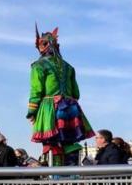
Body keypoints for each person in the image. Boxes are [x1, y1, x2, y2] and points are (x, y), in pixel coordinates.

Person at [28, 24, 94, 166]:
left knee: (51, 142)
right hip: (71, 107)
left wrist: (31, 112)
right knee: (70, 141)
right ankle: (72, 176)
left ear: (42, 46)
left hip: (50, 107)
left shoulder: (38, 65)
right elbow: (76, 93)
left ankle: (57, 181)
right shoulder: (69, 67)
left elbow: (36, 91)